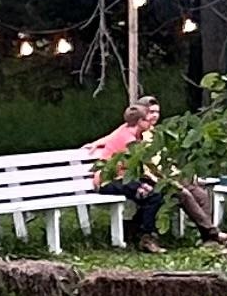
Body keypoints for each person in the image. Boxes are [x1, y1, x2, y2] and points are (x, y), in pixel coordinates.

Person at [84, 95, 213, 249]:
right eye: (148, 116)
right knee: (153, 194)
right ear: (140, 121)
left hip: (133, 177)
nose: (152, 119)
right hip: (111, 180)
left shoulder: (140, 133)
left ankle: (136, 230)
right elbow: (145, 164)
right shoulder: (129, 138)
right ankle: (145, 235)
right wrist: (163, 181)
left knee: (160, 194)